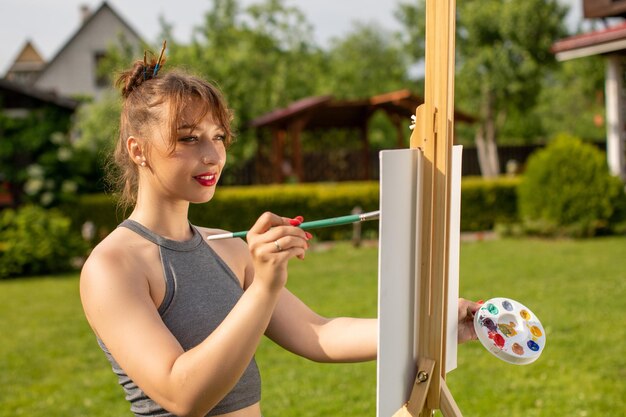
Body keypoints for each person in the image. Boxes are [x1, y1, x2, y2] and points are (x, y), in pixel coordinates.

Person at [79, 46, 480, 417]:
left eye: (218, 137)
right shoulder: (113, 266)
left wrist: (434, 325)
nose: (212, 154)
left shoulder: (227, 247)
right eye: (189, 138)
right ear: (137, 150)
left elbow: (319, 335)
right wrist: (264, 287)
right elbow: (183, 394)